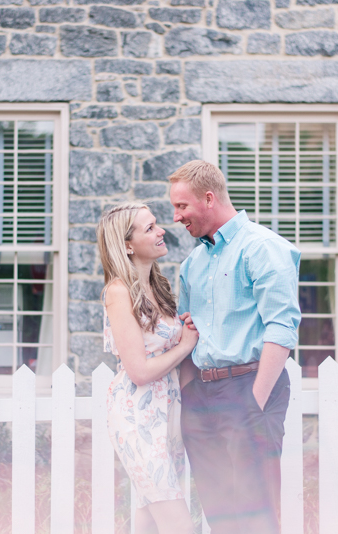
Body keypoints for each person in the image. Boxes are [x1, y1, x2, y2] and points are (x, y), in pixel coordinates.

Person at [170, 160, 301, 534]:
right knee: (219, 512)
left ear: (208, 198)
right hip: (202, 395)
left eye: (182, 206)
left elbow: (282, 326)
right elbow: (186, 330)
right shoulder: (193, 263)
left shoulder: (263, 248)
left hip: (249, 388)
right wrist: (188, 393)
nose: (176, 217)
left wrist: (255, 401)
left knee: (256, 512)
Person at [97, 203, 198, 534]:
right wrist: (184, 346)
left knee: (149, 521)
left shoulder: (160, 288)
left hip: (168, 413)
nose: (161, 231)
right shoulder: (118, 291)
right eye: (150, 228)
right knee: (178, 524)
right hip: (137, 417)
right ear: (127, 245)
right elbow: (138, 371)